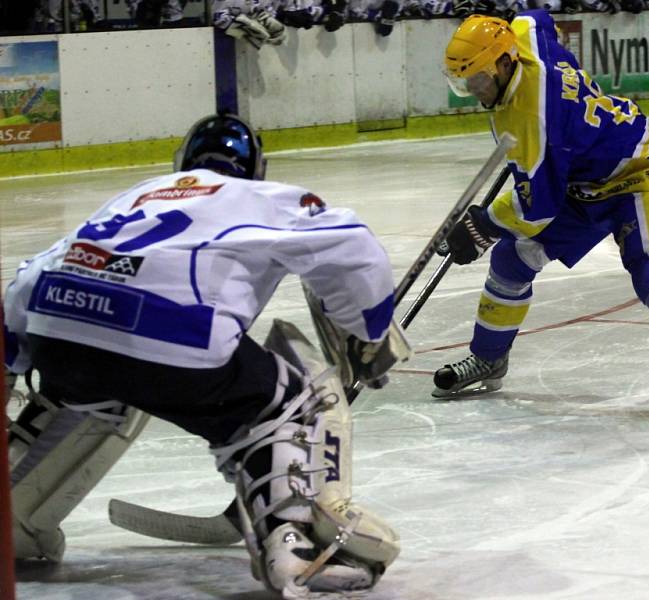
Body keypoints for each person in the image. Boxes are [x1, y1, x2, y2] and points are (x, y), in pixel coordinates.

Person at [3, 112, 404, 596]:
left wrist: (16, 359)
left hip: (59, 326)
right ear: (257, 167)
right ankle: (294, 543)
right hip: (173, 336)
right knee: (295, 398)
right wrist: (369, 330)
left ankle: (14, 519)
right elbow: (353, 246)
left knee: (87, 390)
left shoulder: (137, 193)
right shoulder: (261, 196)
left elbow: (31, 276)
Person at [435, 12, 649, 435]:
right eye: (465, 83)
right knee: (512, 260)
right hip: (582, 185)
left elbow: (537, 208)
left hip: (636, 177)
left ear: (502, 63)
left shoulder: (535, 119)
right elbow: (537, 19)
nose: (474, 91)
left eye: (477, 78)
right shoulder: (524, 39)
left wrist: (483, 224)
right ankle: (489, 358)